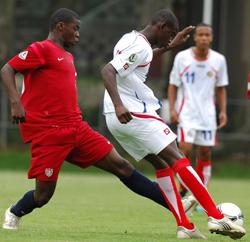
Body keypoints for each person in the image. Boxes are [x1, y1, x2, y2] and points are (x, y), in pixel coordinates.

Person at [1, 8, 193, 239]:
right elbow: (7, 69)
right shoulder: (41, 49)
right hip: (49, 134)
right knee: (43, 197)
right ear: (61, 26)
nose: (78, 34)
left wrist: (168, 47)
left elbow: (139, 59)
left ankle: (178, 205)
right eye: (76, 28)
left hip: (77, 128)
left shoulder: (68, 56)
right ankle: (15, 211)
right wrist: (15, 102)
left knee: (123, 167)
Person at [101, 9, 246, 240]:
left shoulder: (131, 39)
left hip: (116, 118)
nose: (171, 37)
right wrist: (120, 105)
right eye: (171, 33)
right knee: (177, 157)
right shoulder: (140, 46)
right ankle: (216, 215)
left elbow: (140, 60)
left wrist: (169, 46)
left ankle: (185, 226)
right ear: (161, 26)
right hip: (131, 112)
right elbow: (108, 70)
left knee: (162, 164)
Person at [168, 23, 228, 201]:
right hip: (186, 113)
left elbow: (221, 88)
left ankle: (202, 194)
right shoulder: (182, 57)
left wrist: (223, 111)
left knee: (205, 153)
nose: (203, 38)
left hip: (208, 116)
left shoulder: (218, 60)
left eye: (207, 35)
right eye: (200, 35)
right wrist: (172, 109)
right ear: (195, 38)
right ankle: (184, 190)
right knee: (184, 150)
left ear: (211, 38)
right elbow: (173, 85)